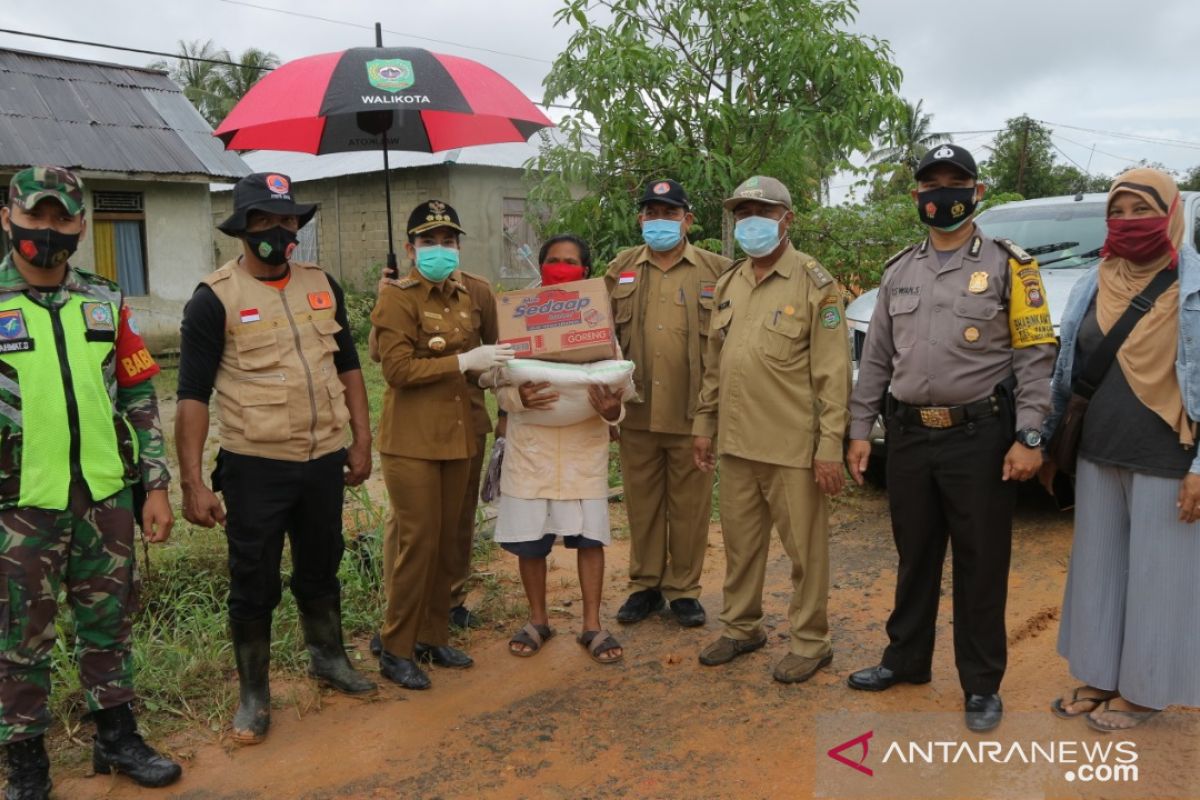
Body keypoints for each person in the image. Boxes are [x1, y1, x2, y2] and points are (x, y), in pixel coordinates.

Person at [845, 144, 1056, 732]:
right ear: (917, 195)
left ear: (976, 190)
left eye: (954, 182)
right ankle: (906, 660)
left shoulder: (1014, 266)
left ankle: (981, 684)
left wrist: (1030, 435)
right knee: (915, 557)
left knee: (980, 562)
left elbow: (1035, 358)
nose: (943, 193)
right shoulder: (898, 271)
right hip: (910, 437)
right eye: (931, 183)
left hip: (980, 437)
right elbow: (878, 360)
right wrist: (861, 429)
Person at [176, 172, 376, 746]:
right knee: (252, 579)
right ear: (243, 228)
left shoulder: (322, 284)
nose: (279, 231)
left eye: (287, 220)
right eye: (265, 221)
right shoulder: (213, 300)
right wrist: (193, 481)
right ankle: (255, 693)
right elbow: (191, 394)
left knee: (322, 563)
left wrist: (361, 440)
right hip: (255, 464)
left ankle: (329, 658)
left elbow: (349, 368)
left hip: (322, 460)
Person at [0, 166, 180, 796]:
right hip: (17, 506)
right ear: (9, 218)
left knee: (109, 624)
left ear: (81, 225)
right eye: (34, 216)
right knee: (20, 637)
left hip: (104, 497)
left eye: (60, 218)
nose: (46, 230)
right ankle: (26, 761)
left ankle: (116, 736)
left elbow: (137, 392)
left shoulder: (104, 300)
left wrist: (154, 486)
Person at [1043, 168, 1200, 732]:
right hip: (1097, 448)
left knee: (1159, 578)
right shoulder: (1093, 280)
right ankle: (1102, 675)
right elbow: (1069, 368)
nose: (1129, 223)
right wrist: (1049, 437)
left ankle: (1145, 691)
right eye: (1120, 212)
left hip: (1166, 453)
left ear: (1172, 214)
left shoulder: (1193, 284)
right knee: (1099, 570)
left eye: (1143, 211)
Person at [692, 176, 851, 684]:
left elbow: (832, 374)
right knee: (740, 544)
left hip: (792, 446)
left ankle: (810, 641)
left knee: (805, 551)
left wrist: (829, 447)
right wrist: (704, 424)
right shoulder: (731, 281)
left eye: (761, 211)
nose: (750, 222)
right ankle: (742, 627)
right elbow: (715, 363)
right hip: (737, 442)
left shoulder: (814, 282)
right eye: (742, 213)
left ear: (787, 219)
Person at [371, 200, 514, 689]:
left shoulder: (473, 291)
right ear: (411, 249)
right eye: (429, 242)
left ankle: (433, 636)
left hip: (463, 432)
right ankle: (395, 646)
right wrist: (462, 361)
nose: (440, 250)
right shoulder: (397, 296)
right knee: (419, 541)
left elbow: (496, 354)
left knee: (452, 541)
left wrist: (495, 371)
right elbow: (396, 370)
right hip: (411, 439)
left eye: (448, 242)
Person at [496, 235, 629, 663]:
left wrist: (613, 412)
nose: (560, 267)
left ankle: (592, 626)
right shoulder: (518, 316)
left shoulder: (596, 317)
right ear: (541, 266)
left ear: (585, 271)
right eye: (553, 261)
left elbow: (621, 384)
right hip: (530, 450)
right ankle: (538, 620)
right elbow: (497, 383)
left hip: (581, 450)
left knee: (589, 539)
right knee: (531, 541)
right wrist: (518, 400)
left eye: (570, 262)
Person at [604, 180, 731, 628]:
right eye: (651, 213)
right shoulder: (619, 269)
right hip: (636, 412)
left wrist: (713, 415)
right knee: (641, 505)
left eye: (669, 213)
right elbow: (592, 330)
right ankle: (645, 586)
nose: (659, 221)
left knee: (691, 508)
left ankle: (684, 590)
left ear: (688, 220)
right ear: (640, 219)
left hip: (692, 413)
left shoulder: (719, 271)